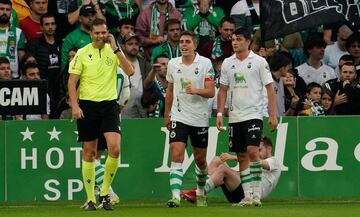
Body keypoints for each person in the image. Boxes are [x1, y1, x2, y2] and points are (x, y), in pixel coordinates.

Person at [68, 18, 134, 211]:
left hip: (109, 106)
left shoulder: (113, 51)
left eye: (103, 32)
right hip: (88, 106)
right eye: (97, 33)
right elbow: (72, 82)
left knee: (115, 149)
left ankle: (105, 193)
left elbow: (129, 71)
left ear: (108, 33)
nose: (100, 36)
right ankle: (90, 199)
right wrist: (74, 105)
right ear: (91, 34)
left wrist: (116, 49)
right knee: (89, 153)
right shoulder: (82, 53)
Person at [216, 27, 277, 207]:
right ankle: (248, 196)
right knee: (242, 156)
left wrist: (272, 114)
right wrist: (220, 112)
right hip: (235, 116)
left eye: (239, 39)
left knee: (252, 151)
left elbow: (270, 88)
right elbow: (223, 90)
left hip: (254, 114)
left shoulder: (259, 61)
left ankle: (256, 195)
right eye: (233, 39)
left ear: (248, 42)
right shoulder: (227, 63)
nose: (235, 42)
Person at [164, 30, 215, 207]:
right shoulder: (172, 64)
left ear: (194, 44)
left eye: (187, 42)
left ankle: (200, 191)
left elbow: (211, 91)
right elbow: (170, 90)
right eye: (181, 42)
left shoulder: (205, 63)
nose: (184, 45)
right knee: (176, 154)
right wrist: (167, 113)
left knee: (200, 160)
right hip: (179, 116)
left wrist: (196, 90)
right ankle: (175, 197)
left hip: (199, 118)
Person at [181, 136, 281, 204]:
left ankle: (199, 192)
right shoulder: (256, 160)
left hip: (251, 194)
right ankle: (202, 196)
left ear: (269, 149)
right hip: (240, 190)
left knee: (223, 169)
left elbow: (258, 162)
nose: (256, 153)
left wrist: (232, 157)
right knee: (217, 160)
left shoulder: (274, 161)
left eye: (260, 150)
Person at [27, 13, 61, 119]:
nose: (50, 27)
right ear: (41, 27)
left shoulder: (62, 43)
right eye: (47, 24)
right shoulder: (34, 45)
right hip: (42, 87)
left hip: (58, 88)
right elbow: (29, 67)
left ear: (56, 25)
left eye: (52, 24)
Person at [0, 0, 26, 78]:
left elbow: (22, 57)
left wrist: (23, 75)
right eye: (1, 9)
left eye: (7, 10)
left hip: (13, 78)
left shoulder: (18, 32)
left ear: (11, 12)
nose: (4, 12)